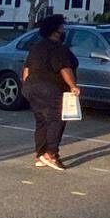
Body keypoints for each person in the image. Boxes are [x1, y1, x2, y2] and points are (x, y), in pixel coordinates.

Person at [21, 15, 78, 171]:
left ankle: (40, 155)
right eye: (62, 28)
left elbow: (26, 70)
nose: (63, 30)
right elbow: (64, 69)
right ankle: (51, 153)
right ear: (56, 30)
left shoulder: (36, 47)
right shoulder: (58, 48)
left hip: (31, 86)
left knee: (41, 120)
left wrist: (26, 86)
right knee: (57, 118)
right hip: (50, 88)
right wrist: (73, 86)